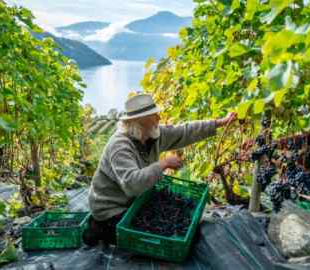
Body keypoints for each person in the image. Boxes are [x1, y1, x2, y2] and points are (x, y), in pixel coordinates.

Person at [83, 93, 237, 246]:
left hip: (134, 201)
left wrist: (219, 123)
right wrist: (163, 164)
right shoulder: (120, 147)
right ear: (139, 122)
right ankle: (99, 227)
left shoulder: (150, 134)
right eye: (154, 116)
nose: (159, 118)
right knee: (161, 235)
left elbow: (183, 131)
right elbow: (132, 185)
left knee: (185, 227)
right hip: (112, 209)